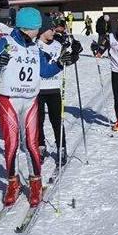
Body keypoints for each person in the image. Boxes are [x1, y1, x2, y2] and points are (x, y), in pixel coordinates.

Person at [0, 7, 76, 208]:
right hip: (8, 100)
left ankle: (35, 183)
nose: (40, 31)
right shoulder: (5, 43)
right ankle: (13, 184)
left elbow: (45, 70)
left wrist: (60, 63)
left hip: (30, 100)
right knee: (12, 144)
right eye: (38, 28)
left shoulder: (35, 47)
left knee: (32, 144)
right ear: (29, 27)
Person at [37, 17, 82, 166]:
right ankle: (40, 147)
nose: (54, 31)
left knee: (56, 120)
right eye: (51, 29)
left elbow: (66, 60)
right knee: (39, 121)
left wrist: (75, 53)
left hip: (54, 89)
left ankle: (61, 148)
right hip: (37, 89)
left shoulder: (58, 44)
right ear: (43, 30)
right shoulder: (35, 45)